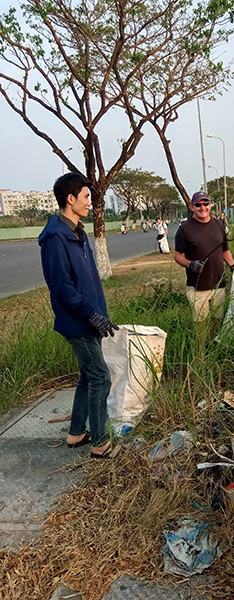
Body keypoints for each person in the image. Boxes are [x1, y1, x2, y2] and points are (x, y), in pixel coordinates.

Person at [38, 173, 118, 459]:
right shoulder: (55, 238)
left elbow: (88, 280)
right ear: (70, 199)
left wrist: (100, 314)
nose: (89, 203)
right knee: (100, 377)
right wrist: (89, 315)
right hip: (77, 321)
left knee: (88, 375)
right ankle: (100, 442)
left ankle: (76, 433)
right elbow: (62, 287)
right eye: (85, 197)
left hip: (90, 317)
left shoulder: (78, 232)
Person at [174, 191, 234, 324]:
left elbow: (225, 251)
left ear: (210, 205)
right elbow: (178, 256)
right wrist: (190, 264)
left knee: (218, 320)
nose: (202, 208)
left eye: (206, 203)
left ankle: (215, 344)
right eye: (198, 205)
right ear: (192, 207)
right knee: (201, 325)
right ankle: (202, 346)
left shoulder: (219, 225)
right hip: (197, 286)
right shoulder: (185, 229)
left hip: (219, 284)